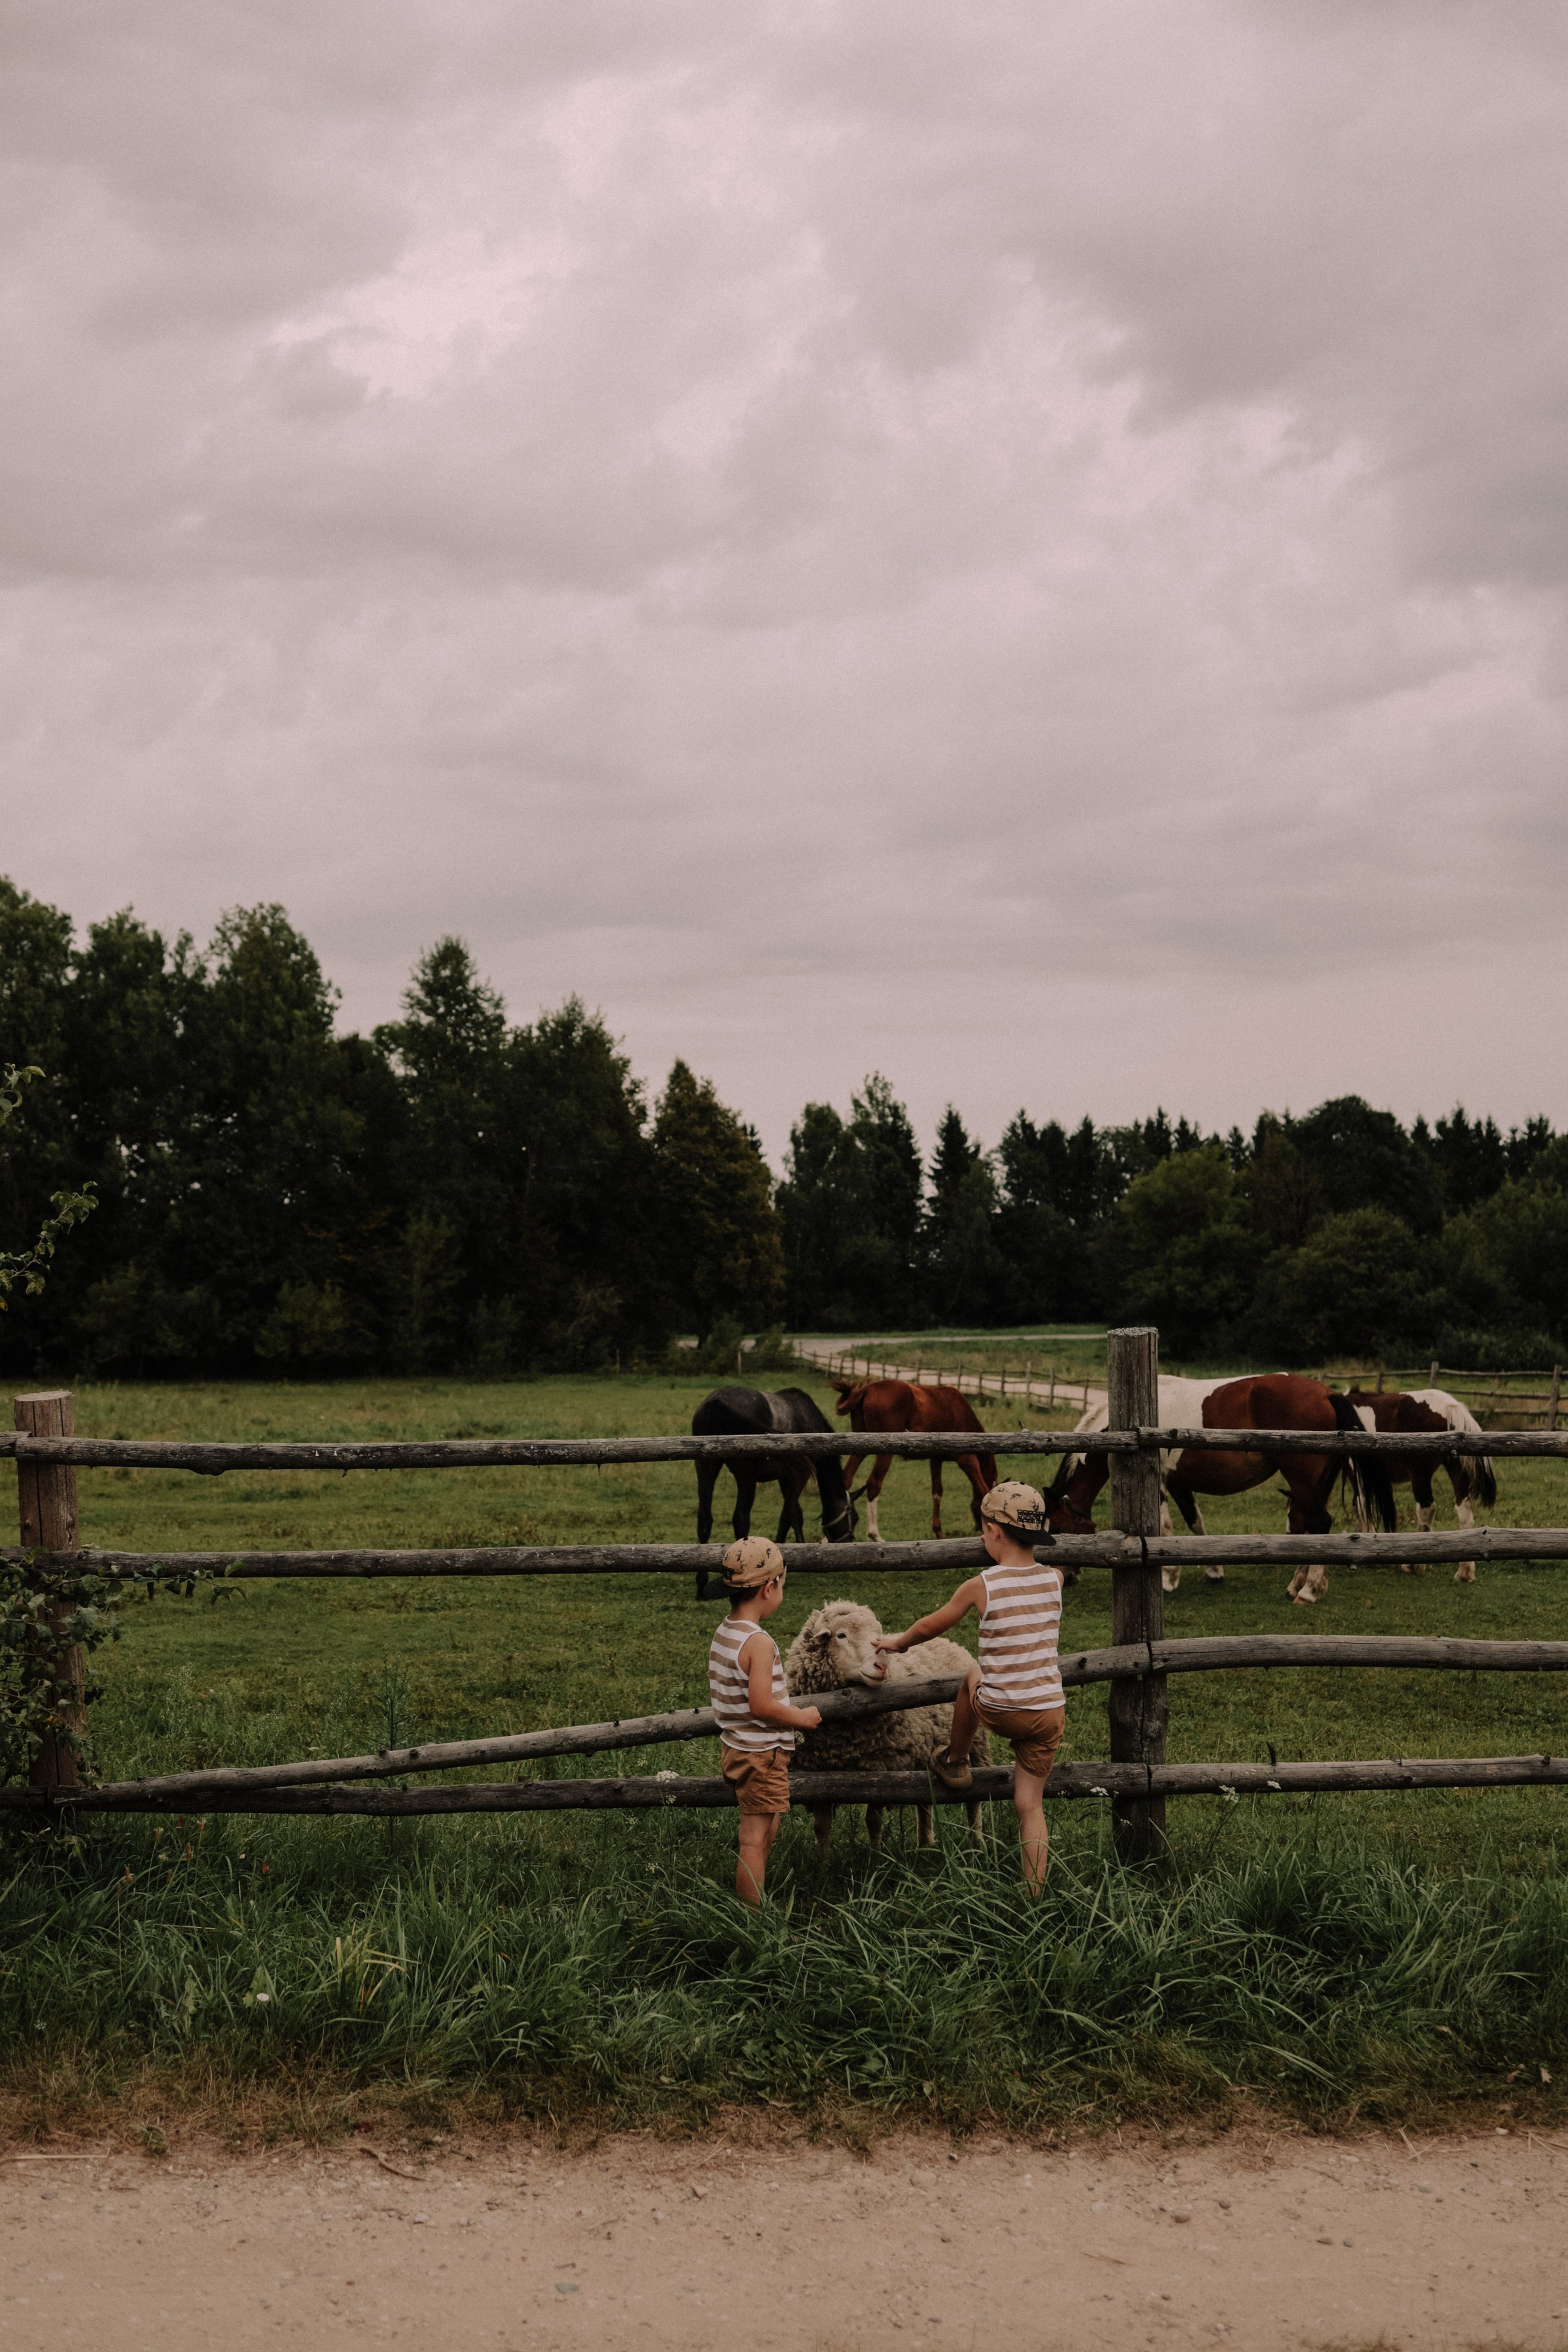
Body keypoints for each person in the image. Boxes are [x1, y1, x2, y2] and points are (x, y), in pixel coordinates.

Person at [873, 1480, 1064, 1890]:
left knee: (970, 1676)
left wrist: (899, 1643)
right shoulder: (1055, 1579)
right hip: (1049, 1712)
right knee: (1030, 1806)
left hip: (1001, 1709)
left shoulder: (982, 1586)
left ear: (993, 1532)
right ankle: (1034, 1894)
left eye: (983, 1530)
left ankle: (956, 1759)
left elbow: (931, 1626)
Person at [707, 1536, 822, 1906]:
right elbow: (761, 1705)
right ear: (769, 1588)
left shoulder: (726, 1631)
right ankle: (750, 1919)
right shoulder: (759, 1643)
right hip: (761, 1754)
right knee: (754, 1841)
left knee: (766, 1828)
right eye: (782, 1585)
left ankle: (754, 1901)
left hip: (737, 1748)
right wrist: (801, 1718)